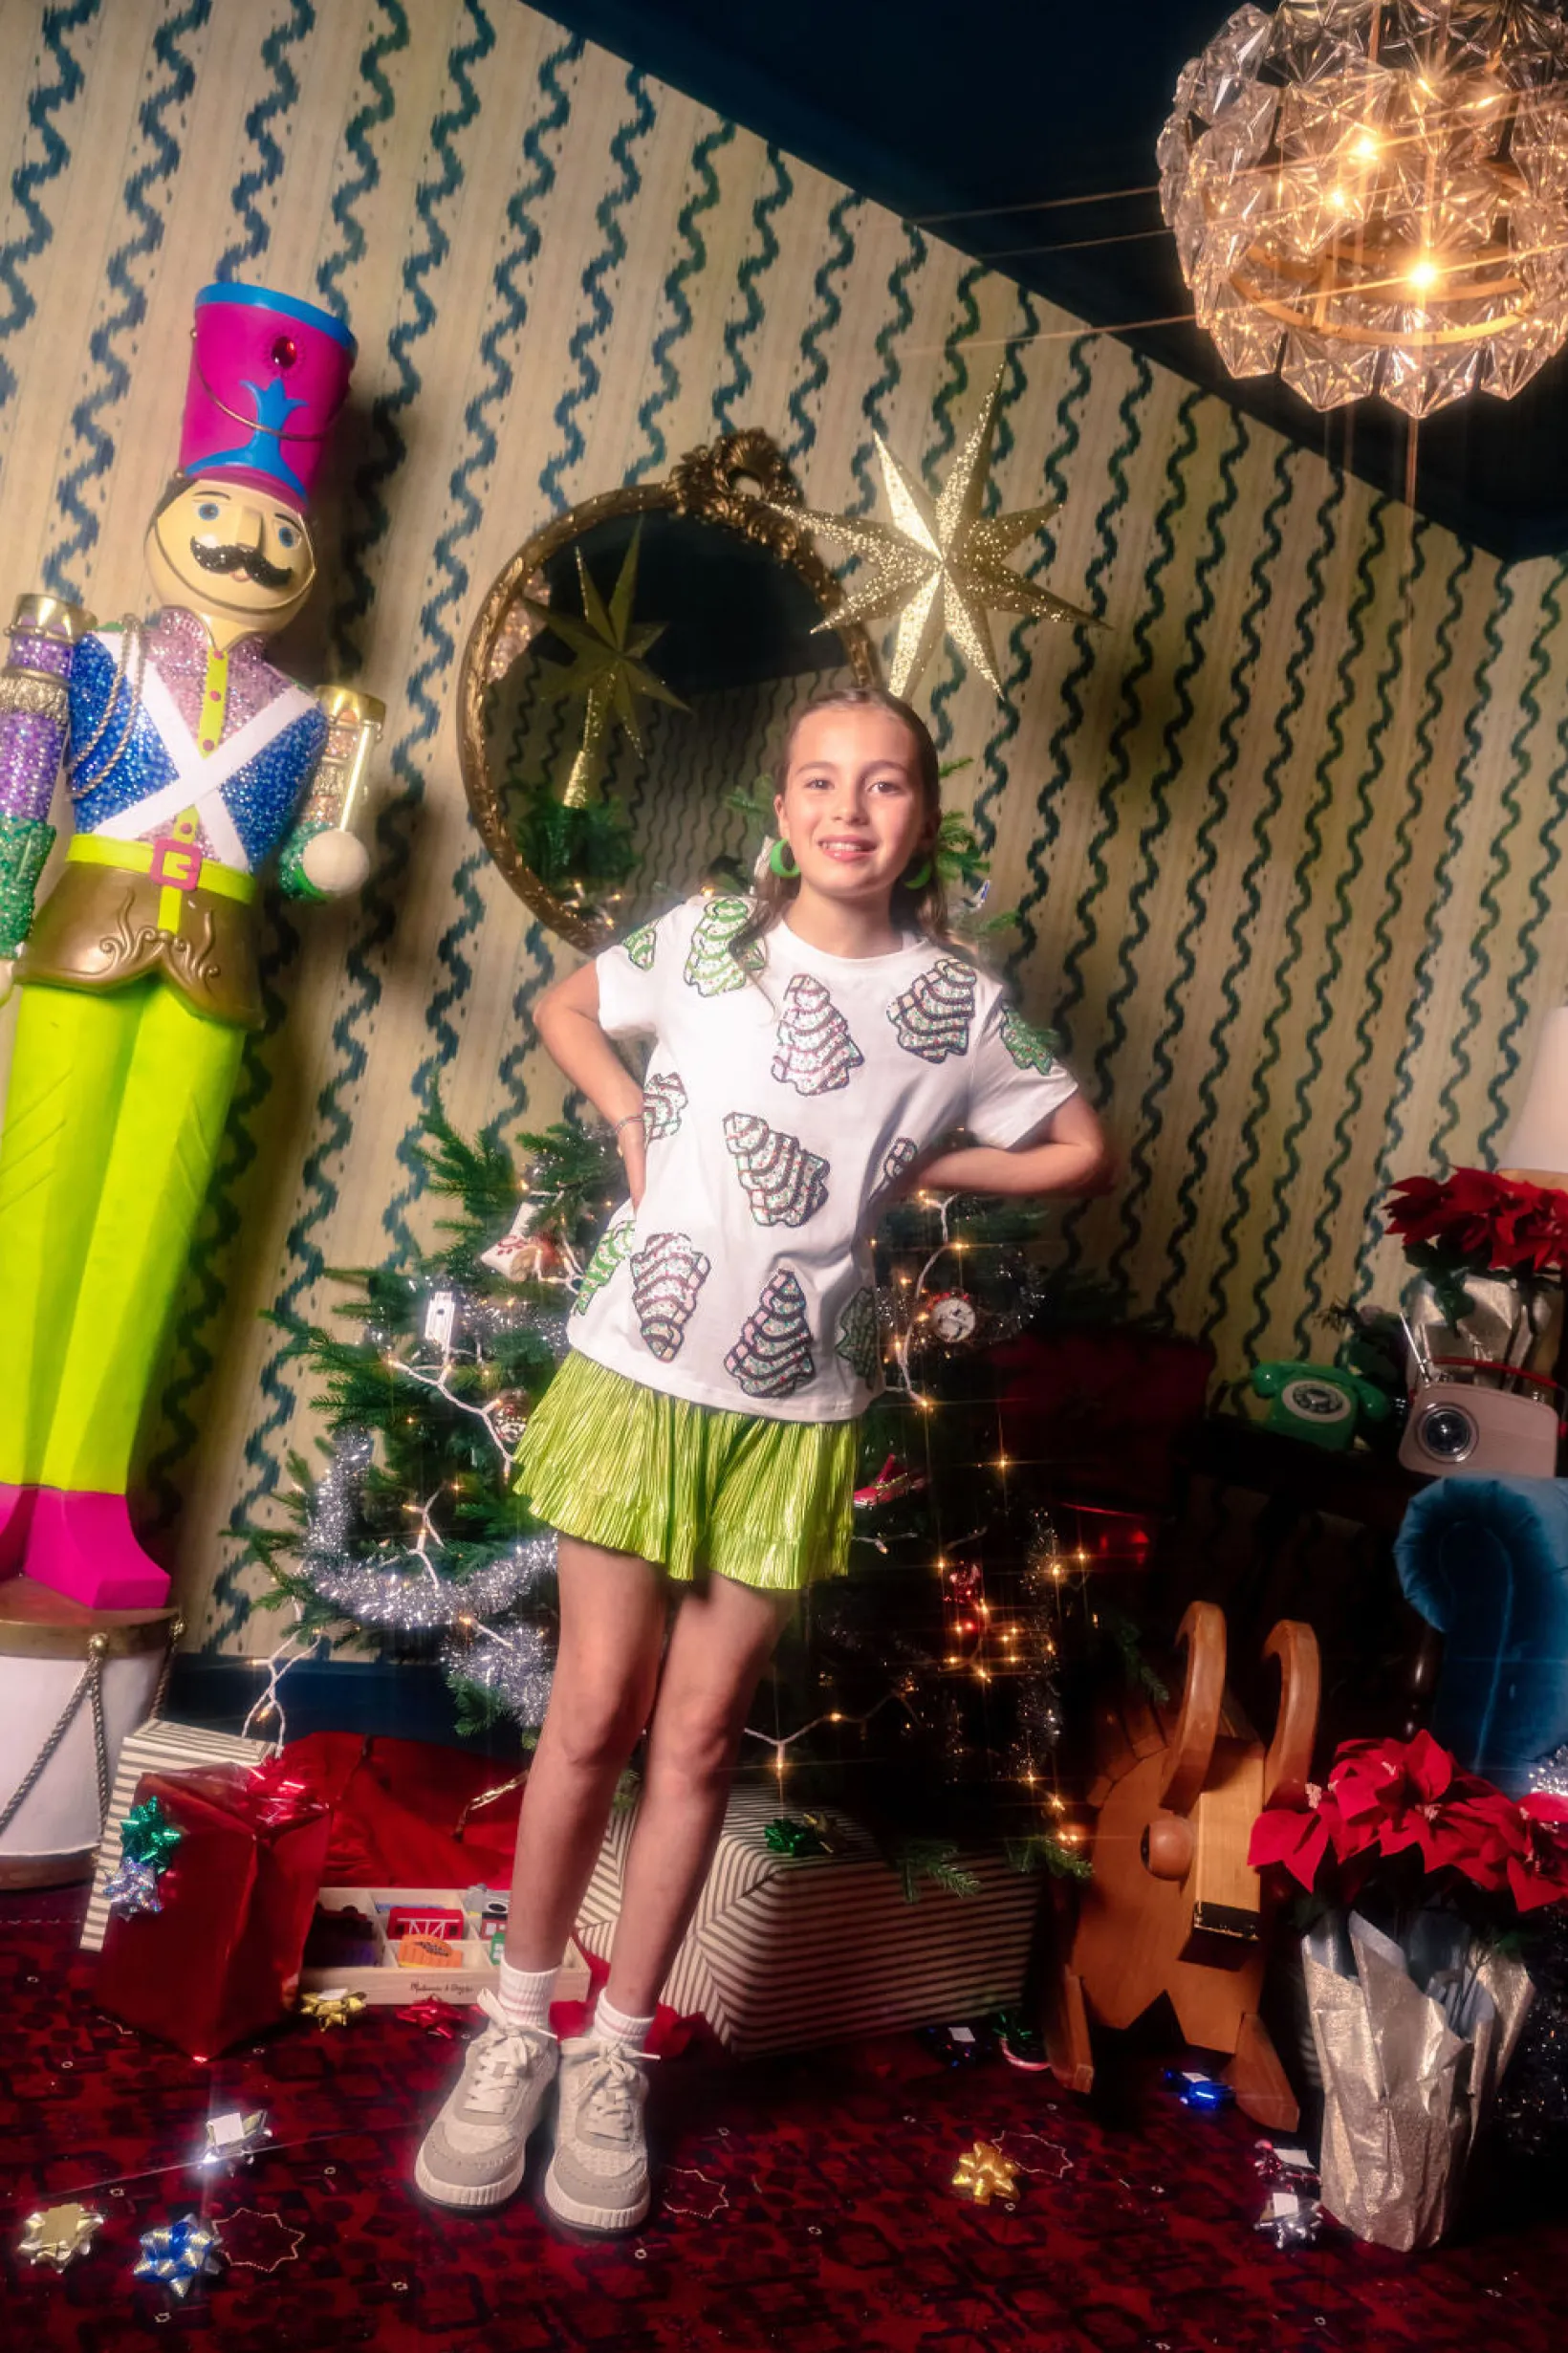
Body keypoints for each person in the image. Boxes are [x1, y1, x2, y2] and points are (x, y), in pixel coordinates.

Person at [414, 685, 1109, 2230]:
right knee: (590, 1715)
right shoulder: (712, 939)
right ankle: (514, 2030)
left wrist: (924, 1163)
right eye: (820, 781)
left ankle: (615, 2054)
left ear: (923, 814)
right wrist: (629, 1122)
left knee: (700, 1740)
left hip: (797, 1413)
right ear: (783, 810)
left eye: (886, 782)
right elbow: (568, 1010)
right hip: (636, 1373)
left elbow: (1083, 1150)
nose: (850, 809)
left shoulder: (957, 1005)